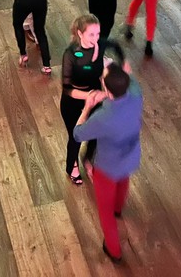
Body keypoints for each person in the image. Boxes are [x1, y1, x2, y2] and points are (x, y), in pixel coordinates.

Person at [73, 62, 143, 264]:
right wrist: (118, 72)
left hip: (107, 167)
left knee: (105, 211)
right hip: (130, 155)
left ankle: (114, 250)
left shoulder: (103, 117)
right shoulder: (136, 94)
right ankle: (118, 208)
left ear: (108, 90)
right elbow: (130, 78)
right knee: (124, 180)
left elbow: (78, 134)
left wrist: (87, 107)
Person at [61, 15, 125, 185]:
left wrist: (123, 64)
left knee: (96, 132)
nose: (96, 38)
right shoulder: (70, 54)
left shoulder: (100, 44)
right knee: (75, 137)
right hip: (73, 101)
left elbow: (116, 45)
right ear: (80, 33)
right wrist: (90, 96)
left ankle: (88, 159)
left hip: (95, 96)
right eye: (91, 34)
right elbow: (67, 88)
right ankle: (72, 165)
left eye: (98, 33)